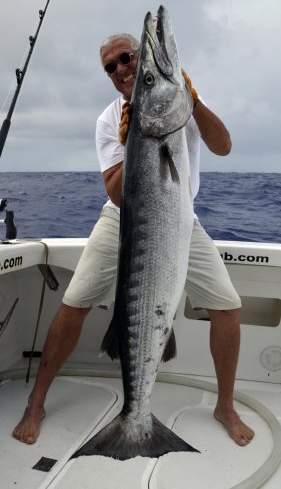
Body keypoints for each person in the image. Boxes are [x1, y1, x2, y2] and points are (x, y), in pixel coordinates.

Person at [12, 32, 254, 447]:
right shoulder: (110, 120)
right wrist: (135, 138)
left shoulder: (180, 103)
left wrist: (190, 102)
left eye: (127, 59)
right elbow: (117, 192)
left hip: (180, 221)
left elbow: (224, 146)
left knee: (228, 308)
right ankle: (36, 402)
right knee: (76, 301)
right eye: (111, 66)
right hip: (120, 219)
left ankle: (225, 406)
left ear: (141, 60)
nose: (122, 69)